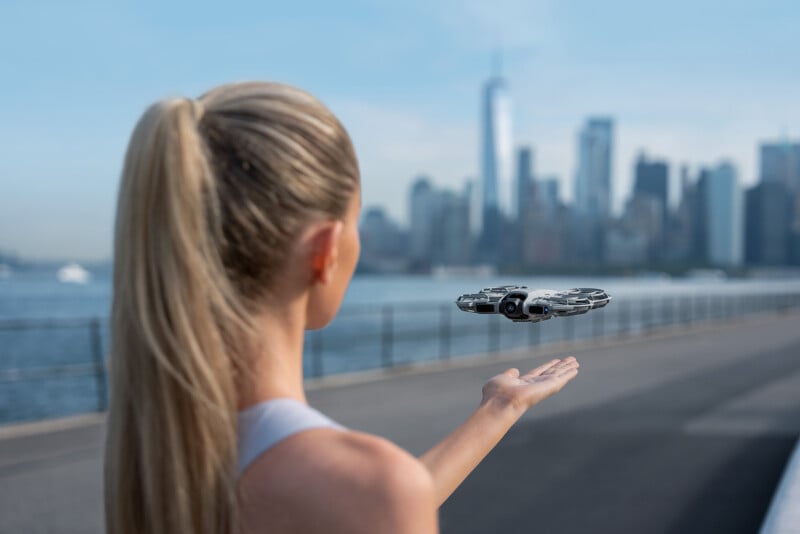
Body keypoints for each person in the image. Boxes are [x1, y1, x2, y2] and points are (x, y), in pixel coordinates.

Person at [104, 81, 580, 534]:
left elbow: (367, 508)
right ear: (326, 250)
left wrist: (499, 407)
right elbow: (372, 504)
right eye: (356, 223)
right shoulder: (364, 486)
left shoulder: (155, 453)